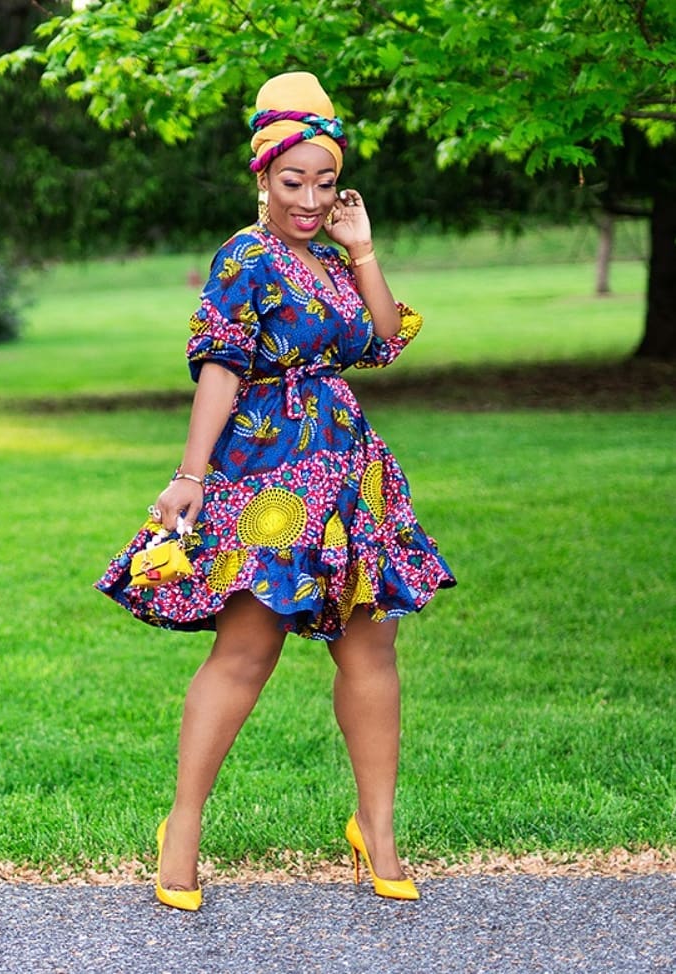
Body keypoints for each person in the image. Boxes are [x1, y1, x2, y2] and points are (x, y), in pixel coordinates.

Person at [95, 71, 456, 911]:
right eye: (293, 182)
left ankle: (377, 831)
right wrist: (190, 475)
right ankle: (182, 830)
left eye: (325, 183)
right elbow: (221, 368)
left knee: (369, 649)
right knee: (247, 648)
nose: (310, 200)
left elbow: (380, 342)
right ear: (262, 176)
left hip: (349, 473)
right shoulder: (245, 257)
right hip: (266, 471)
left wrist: (362, 248)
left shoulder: (329, 258)